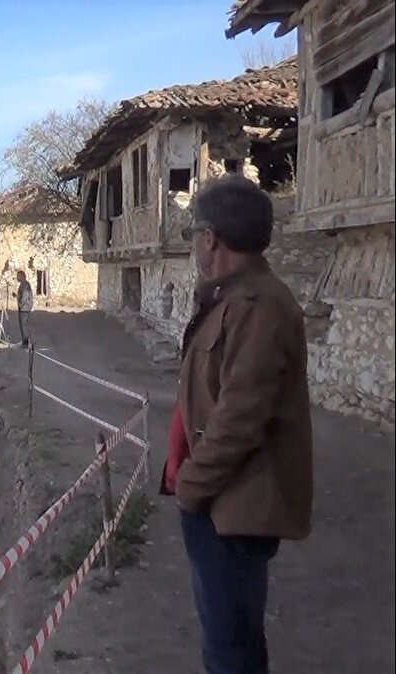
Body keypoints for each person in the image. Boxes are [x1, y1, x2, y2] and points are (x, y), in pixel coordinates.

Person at [163, 174, 312, 674]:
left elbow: (239, 420)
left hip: (230, 506)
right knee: (230, 638)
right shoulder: (230, 297)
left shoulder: (257, 307)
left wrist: (190, 487)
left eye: (195, 235)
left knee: (230, 651)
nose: (194, 246)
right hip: (219, 501)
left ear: (211, 237)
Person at [15, 270, 33, 347]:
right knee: (22, 325)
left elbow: (25, 296)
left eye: (18, 276)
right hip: (23, 307)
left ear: (22, 276)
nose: (17, 277)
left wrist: (21, 304)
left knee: (24, 325)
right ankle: (24, 341)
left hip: (24, 308)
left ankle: (26, 342)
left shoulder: (25, 285)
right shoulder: (23, 284)